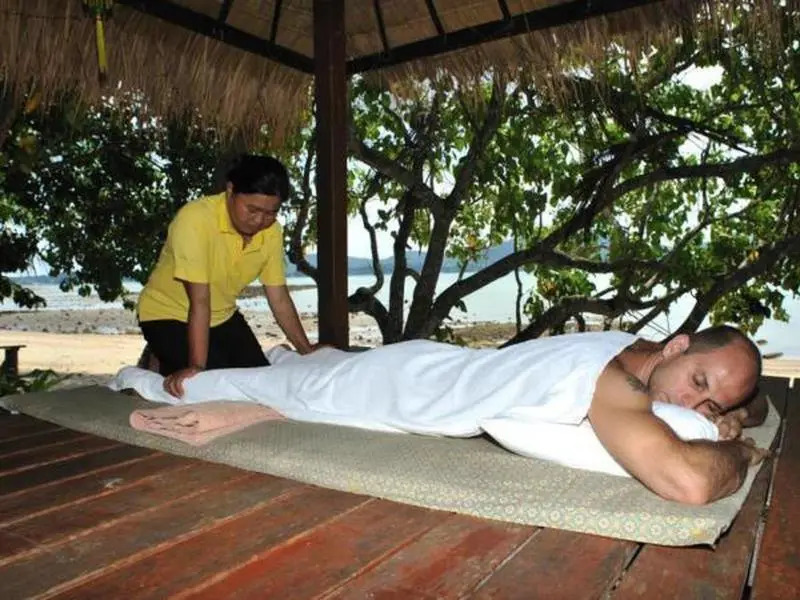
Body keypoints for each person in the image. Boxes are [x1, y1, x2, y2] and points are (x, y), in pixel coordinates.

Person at [113, 324, 771, 504]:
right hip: (386, 388)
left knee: (308, 368)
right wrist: (738, 450)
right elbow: (689, 480)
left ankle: (297, 358)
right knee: (216, 387)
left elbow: (750, 399)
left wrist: (726, 411)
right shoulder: (615, 382)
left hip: (431, 363)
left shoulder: (638, 346)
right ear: (677, 346)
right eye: (696, 382)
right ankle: (141, 374)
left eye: (707, 404)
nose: (687, 406)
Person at [137, 154, 315, 397]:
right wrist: (197, 368)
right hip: (166, 314)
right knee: (212, 387)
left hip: (223, 316)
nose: (259, 220)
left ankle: (171, 363)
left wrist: (306, 350)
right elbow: (200, 301)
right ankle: (149, 373)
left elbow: (279, 297)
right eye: (252, 209)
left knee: (261, 386)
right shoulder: (195, 219)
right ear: (230, 190)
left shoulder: (272, 232)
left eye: (270, 212)